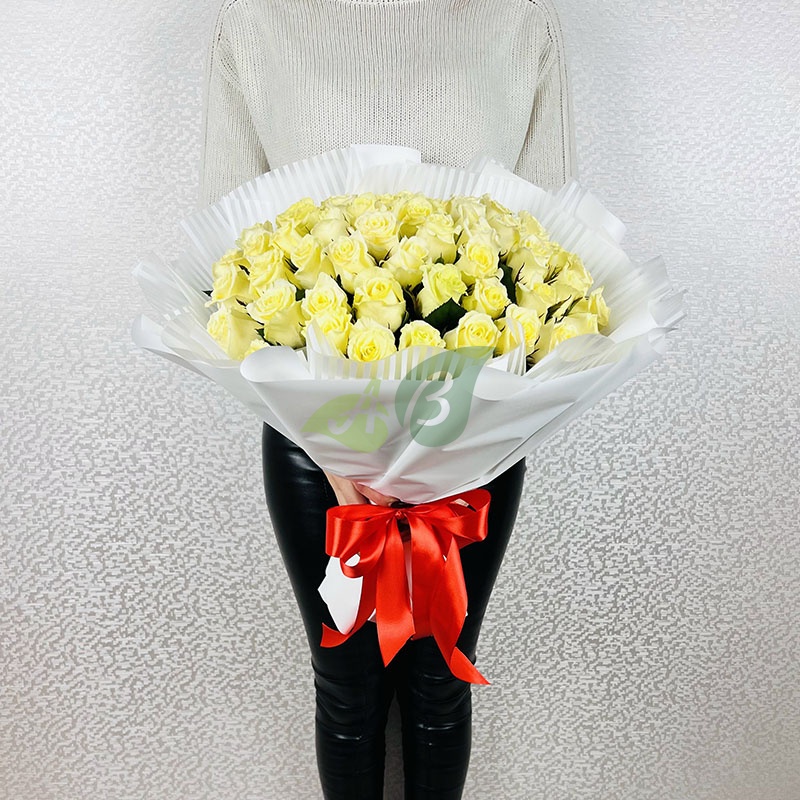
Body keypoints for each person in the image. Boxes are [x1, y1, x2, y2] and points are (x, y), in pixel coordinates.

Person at [199, 1, 576, 797]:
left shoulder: (521, 23)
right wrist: (336, 451)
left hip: (476, 432)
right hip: (314, 444)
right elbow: (224, 259)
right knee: (347, 683)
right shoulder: (255, 24)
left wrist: (460, 438)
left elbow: (555, 246)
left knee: (440, 679)